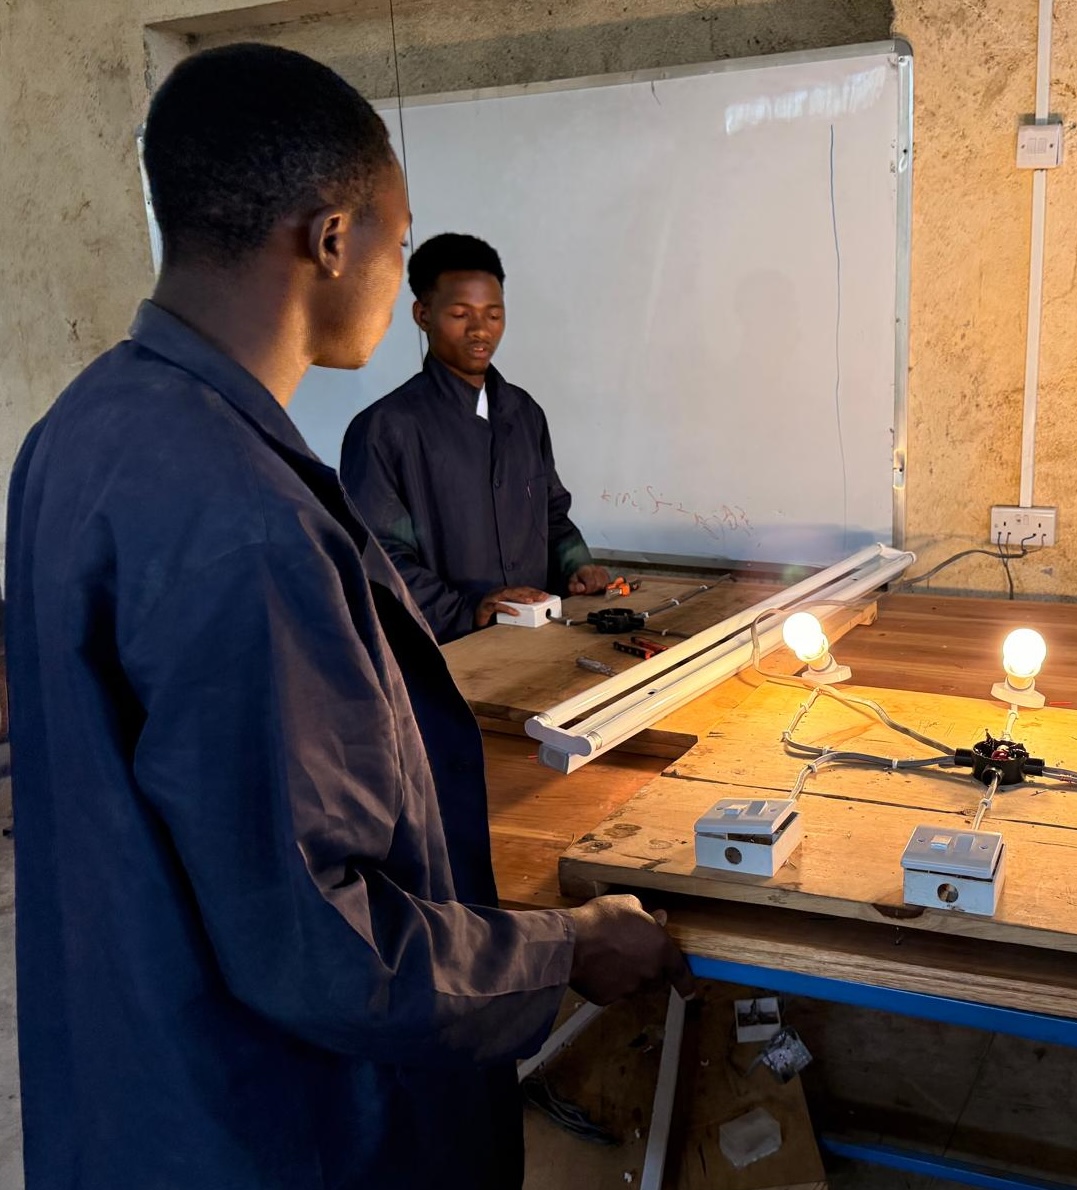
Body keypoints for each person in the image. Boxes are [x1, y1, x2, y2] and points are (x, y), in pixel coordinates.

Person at [4, 43, 690, 1190]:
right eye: (399, 241)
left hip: (131, 1087)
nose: (416, 286)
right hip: (270, 1124)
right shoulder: (245, 516)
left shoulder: (77, 429)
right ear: (332, 239)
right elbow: (325, 945)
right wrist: (562, 948)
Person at [341, 232, 611, 643]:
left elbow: (552, 515)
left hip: (537, 640)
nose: (480, 330)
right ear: (423, 315)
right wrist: (467, 610)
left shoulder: (525, 414)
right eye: (460, 314)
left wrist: (578, 564)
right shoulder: (386, 428)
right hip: (448, 650)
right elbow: (380, 557)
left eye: (493, 315)